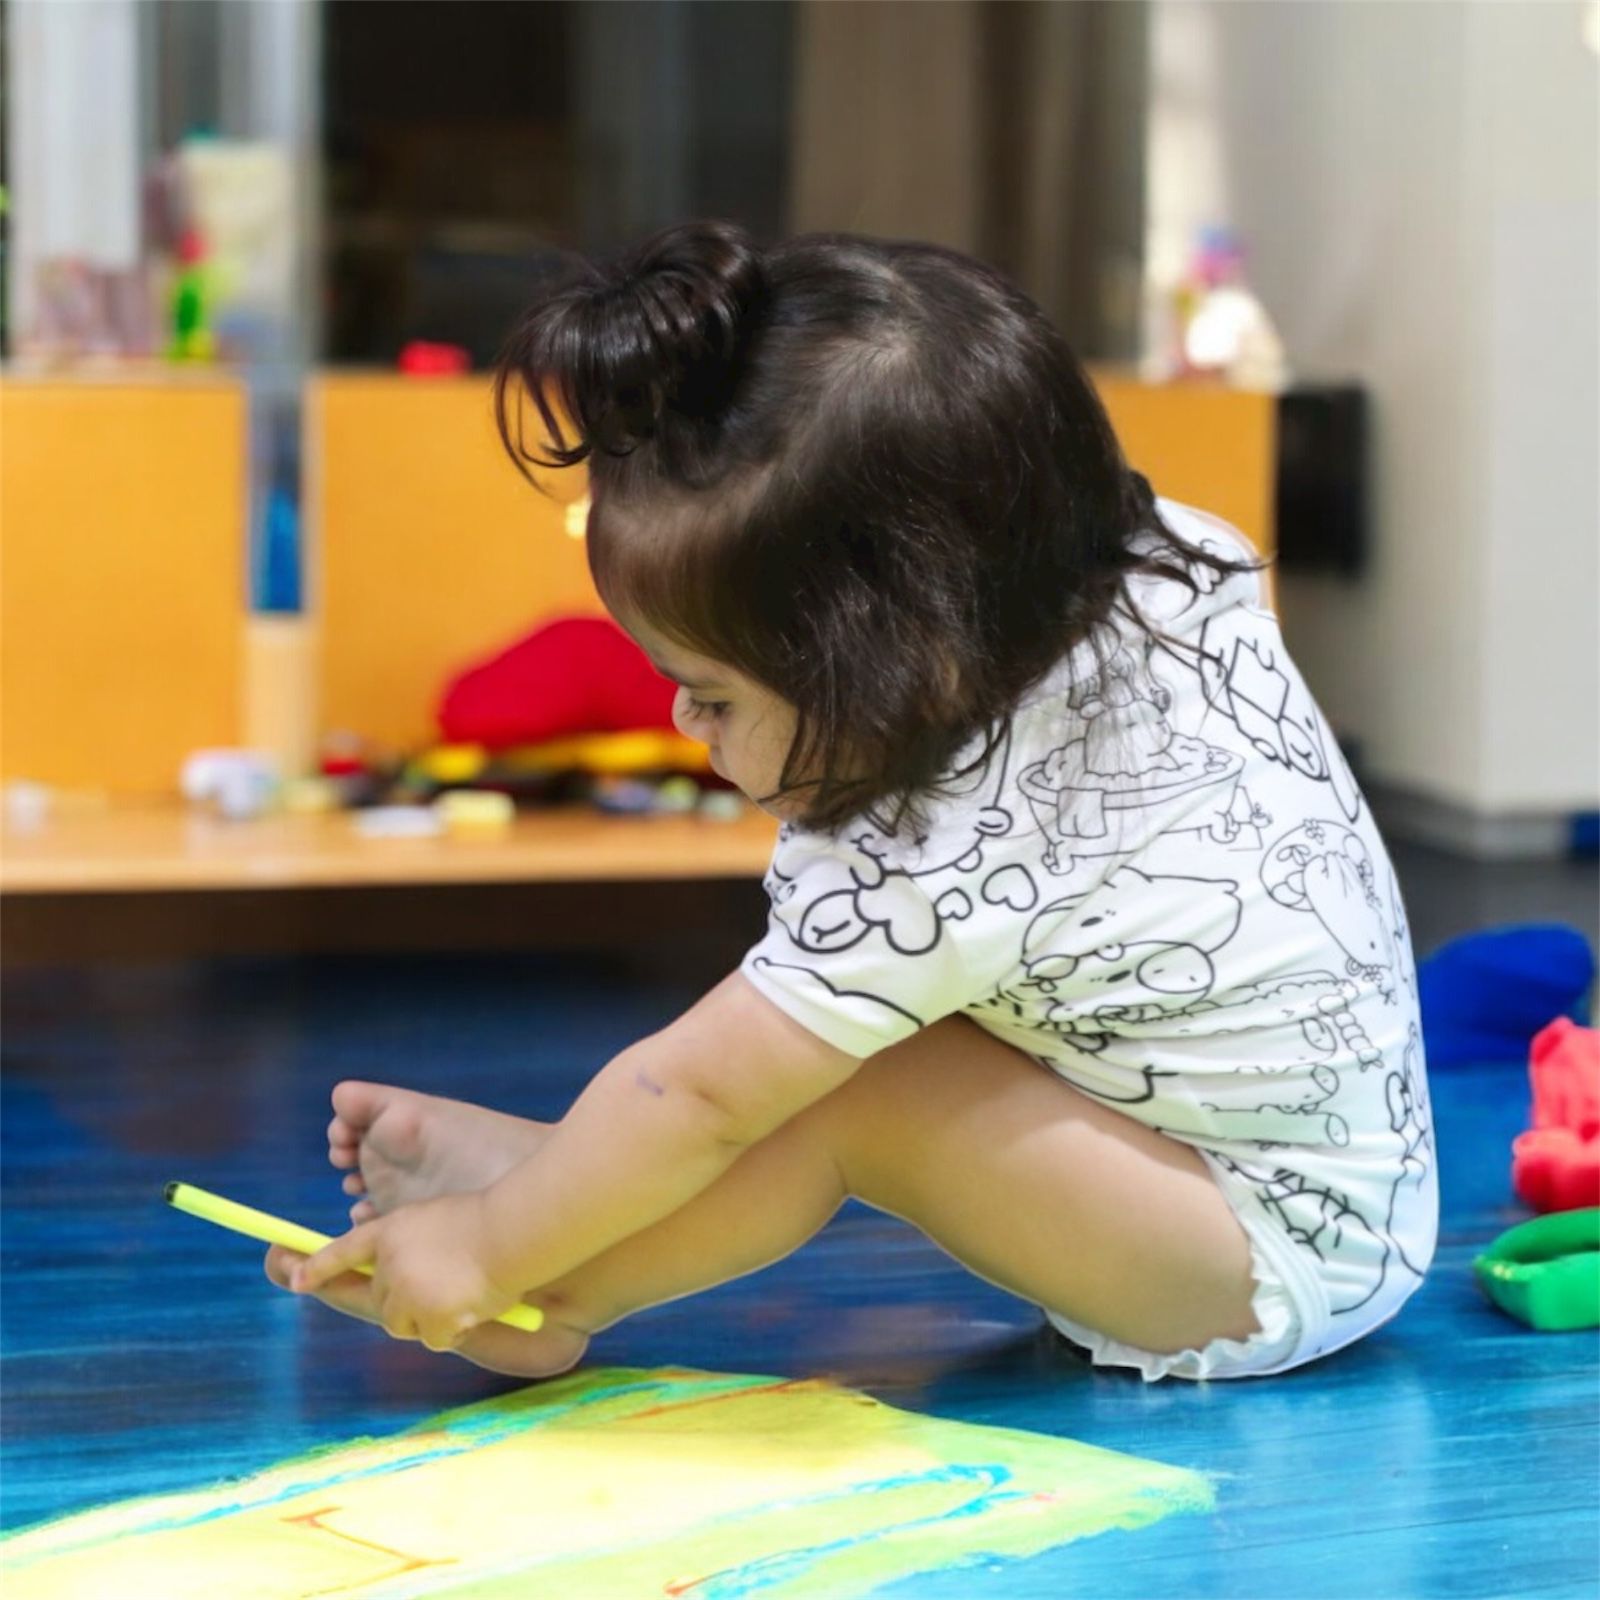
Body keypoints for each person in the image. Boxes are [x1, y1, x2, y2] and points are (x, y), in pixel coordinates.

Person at [272, 221, 1436, 1383]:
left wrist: (487, 1246)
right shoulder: (1147, 559)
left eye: (711, 693)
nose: (682, 721)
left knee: (852, 1081)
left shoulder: (936, 855)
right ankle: (565, 1182)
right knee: (813, 1042)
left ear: (898, 668)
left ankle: (553, 1288)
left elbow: (705, 1093)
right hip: (1311, 1182)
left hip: (1259, 1260)